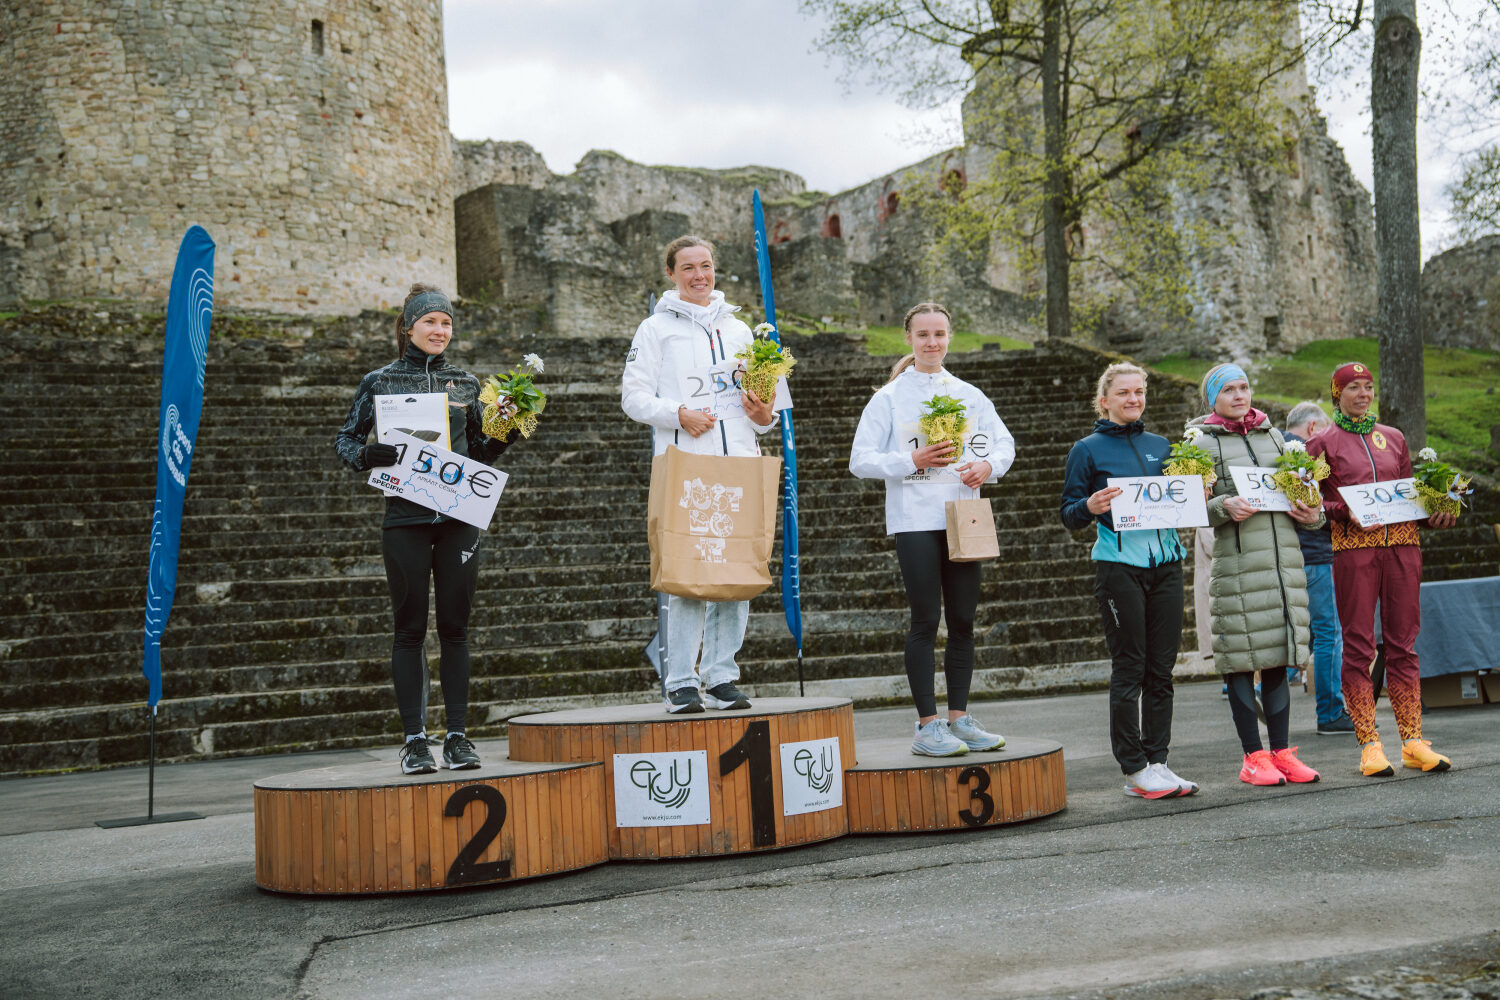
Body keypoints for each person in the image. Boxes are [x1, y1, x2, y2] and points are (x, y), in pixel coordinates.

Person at [334, 284, 522, 774]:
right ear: (408, 327)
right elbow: (345, 439)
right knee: (409, 630)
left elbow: (479, 452)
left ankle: (457, 737)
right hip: (405, 520)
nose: (440, 331)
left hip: (458, 519)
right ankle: (415, 741)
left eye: (446, 323)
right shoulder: (379, 381)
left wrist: (507, 431)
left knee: (455, 629)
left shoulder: (466, 383)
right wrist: (365, 454)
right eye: (430, 322)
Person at [850, 302, 1016, 756]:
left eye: (939, 334)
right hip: (915, 520)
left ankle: (959, 720)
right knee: (925, 620)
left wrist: (988, 466)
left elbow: (1003, 443)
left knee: (963, 621)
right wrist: (912, 460)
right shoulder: (888, 399)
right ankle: (927, 726)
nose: (931, 342)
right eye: (923, 334)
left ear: (949, 337)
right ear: (908, 338)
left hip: (962, 516)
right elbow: (860, 459)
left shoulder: (969, 394)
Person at [622, 236, 776, 714]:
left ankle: (722, 676)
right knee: (688, 575)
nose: (698, 275)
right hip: (687, 465)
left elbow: (762, 411)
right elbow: (633, 397)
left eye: (705, 266)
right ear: (671, 274)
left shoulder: (741, 330)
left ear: (715, 269)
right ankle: (682, 682)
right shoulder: (655, 328)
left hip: (740, 464)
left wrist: (764, 415)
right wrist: (678, 414)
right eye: (687, 267)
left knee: (737, 572)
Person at [1306, 362, 1459, 776]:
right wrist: (1345, 512)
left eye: (1368, 387)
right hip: (1354, 551)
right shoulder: (1322, 443)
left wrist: (1437, 512)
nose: (1363, 394)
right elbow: (1309, 502)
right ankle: (1369, 744)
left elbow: (1407, 496)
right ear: (1336, 393)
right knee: (1358, 646)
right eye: (1353, 387)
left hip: (1404, 548)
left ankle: (1413, 740)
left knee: (1403, 644)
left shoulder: (1393, 437)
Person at [1059, 363, 1198, 798]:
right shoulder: (1087, 450)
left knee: (1162, 670)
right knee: (1130, 668)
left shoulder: (1162, 445)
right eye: (1123, 393)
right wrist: (1090, 506)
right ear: (1104, 401)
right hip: (1120, 569)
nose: (1133, 399)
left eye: (1139, 391)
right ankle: (1134, 769)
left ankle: (1158, 762)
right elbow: (1068, 514)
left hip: (1168, 567)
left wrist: (1199, 491)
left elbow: (1181, 500)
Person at [1191, 365, 1324, 787]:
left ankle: (1281, 754)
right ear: (1212, 398)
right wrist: (1221, 506)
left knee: (1277, 660)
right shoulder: (1199, 442)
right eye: (1228, 389)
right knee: (1240, 662)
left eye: (1244, 387)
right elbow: (1186, 505)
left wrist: (1313, 512)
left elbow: (1305, 496)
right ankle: (1253, 757)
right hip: (1237, 567)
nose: (1239, 395)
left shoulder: (1276, 438)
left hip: (1283, 568)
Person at [1283, 400, 1353, 735]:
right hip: (1317, 555)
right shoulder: (1308, 458)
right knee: (1329, 635)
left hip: (1291, 556)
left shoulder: (1275, 452)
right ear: (1313, 428)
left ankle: (1263, 689)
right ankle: (1330, 713)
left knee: (1301, 632)